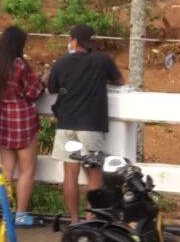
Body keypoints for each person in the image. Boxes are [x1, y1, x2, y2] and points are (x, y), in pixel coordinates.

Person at [47, 23, 123, 223]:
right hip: (91, 125)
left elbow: (52, 88)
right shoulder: (101, 61)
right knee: (94, 175)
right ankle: (91, 220)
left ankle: (73, 221)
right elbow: (120, 81)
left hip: (66, 123)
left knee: (69, 174)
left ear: (74, 41)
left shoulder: (61, 63)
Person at [0, 26, 45, 226]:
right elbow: (33, 92)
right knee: (27, 170)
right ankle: (21, 215)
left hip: (1, 119)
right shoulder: (19, 65)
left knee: (6, 170)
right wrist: (43, 80)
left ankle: (5, 214)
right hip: (22, 122)